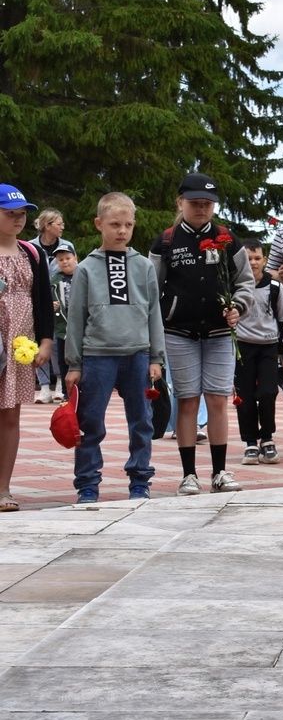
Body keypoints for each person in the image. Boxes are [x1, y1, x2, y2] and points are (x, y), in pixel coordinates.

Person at [151, 172, 255, 495]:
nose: (201, 209)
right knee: (187, 400)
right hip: (178, 332)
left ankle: (220, 472)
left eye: (208, 204)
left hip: (220, 332)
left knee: (218, 400)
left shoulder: (228, 239)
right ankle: (188, 474)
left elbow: (246, 282)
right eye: (195, 203)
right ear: (180, 202)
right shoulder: (166, 241)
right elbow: (152, 290)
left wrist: (238, 306)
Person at [64, 193, 165, 503]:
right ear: (99, 224)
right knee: (90, 422)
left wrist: (156, 356)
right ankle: (88, 485)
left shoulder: (144, 266)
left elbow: (153, 313)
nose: (122, 231)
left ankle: (139, 482)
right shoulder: (85, 269)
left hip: (138, 354)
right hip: (97, 355)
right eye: (115, 224)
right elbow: (76, 318)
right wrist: (74, 363)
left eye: (128, 225)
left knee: (142, 421)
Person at [0, 183, 55, 513]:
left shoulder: (32, 254)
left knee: (10, 417)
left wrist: (46, 341)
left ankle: (3, 488)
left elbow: (44, 304)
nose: (17, 219)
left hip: (20, 343)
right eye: (10, 213)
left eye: (22, 214)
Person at [235, 239, 283, 466]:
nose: (253, 263)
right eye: (248, 259)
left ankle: (267, 438)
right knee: (243, 396)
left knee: (267, 393)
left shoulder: (275, 287)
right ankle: (249, 441)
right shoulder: (236, 286)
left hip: (268, 346)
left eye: (257, 258)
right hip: (242, 347)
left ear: (264, 260)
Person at [31, 208, 73, 403]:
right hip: (37, 300)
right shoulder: (30, 246)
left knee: (57, 344)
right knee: (38, 341)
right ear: (47, 226)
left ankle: (58, 385)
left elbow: (72, 271)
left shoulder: (67, 246)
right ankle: (44, 387)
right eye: (59, 223)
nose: (62, 226)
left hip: (61, 304)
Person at [50, 242, 77, 394]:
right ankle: (67, 394)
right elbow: (47, 299)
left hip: (82, 329)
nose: (65, 262)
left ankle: (83, 391)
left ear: (75, 258)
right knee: (63, 360)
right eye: (61, 260)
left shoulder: (83, 275)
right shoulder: (54, 280)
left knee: (81, 360)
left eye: (67, 258)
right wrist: (51, 305)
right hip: (63, 328)